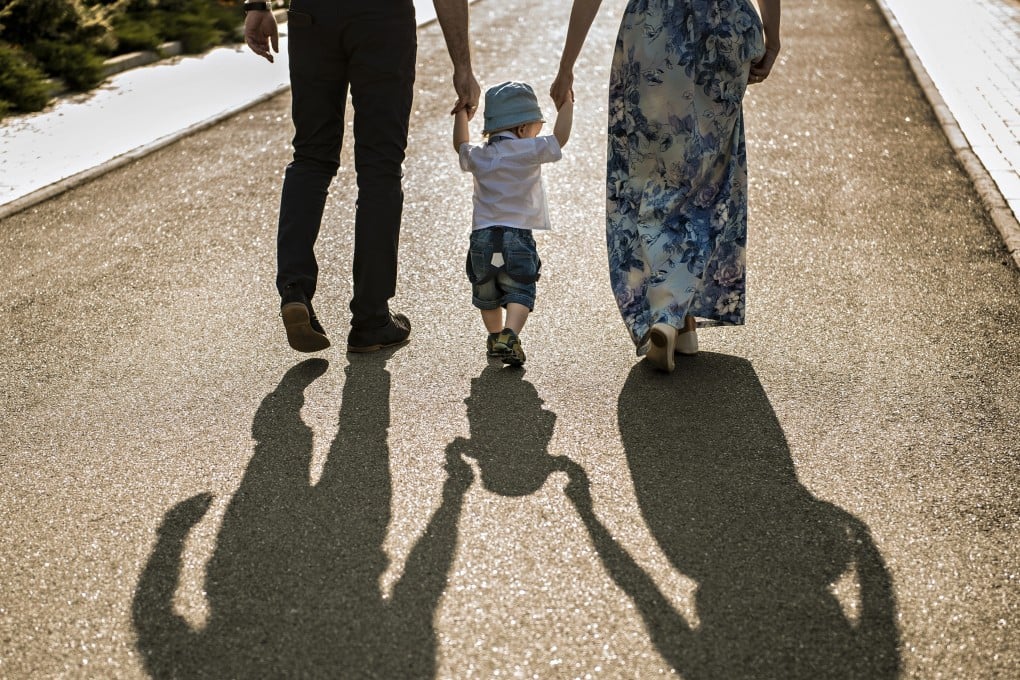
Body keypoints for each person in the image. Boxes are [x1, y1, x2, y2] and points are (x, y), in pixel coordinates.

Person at [551, 0, 781, 372]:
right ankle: (683, 321)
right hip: (724, 27)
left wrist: (567, 66)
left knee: (651, 174)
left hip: (653, 31)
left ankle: (666, 311)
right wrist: (773, 36)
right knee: (709, 173)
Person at [243, 0, 481, 353]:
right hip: (382, 19)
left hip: (313, 15)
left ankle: (294, 289)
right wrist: (463, 66)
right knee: (380, 167)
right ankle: (371, 318)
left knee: (311, 156)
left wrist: (258, 5)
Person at [453, 81, 573, 366]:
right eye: (534, 129)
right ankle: (510, 333)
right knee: (521, 287)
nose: (536, 135)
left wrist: (461, 113)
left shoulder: (480, 154)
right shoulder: (527, 150)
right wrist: (567, 103)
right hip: (516, 237)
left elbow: (460, 145)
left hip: (482, 239)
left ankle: (495, 337)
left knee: (487, 291)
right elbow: (560, 138)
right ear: (522, 130)